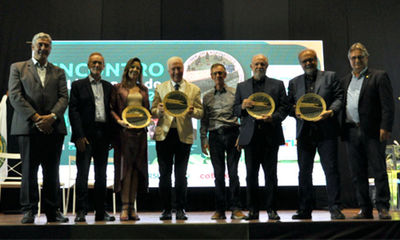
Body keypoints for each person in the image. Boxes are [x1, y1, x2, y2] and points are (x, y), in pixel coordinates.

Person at [8, 32, 68, 223]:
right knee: (28, 171)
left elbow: (63, 98)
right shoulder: (17, 68)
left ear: (51, 48)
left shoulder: (58, 71)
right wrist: (36, 118)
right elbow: (15, 96)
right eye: (40, 44)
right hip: (27, 128)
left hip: (53, 128)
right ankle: (29, 211)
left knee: (52, 171)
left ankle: (53, 211)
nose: (43, 48)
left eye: (47, 45)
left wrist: (50, 118)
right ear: (32, 46)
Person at [288, 49, 345, 220]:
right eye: (305, 61)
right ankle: (305, 209)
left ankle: (335, 208)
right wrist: (295, 112)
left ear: (316, 60)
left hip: (326, 130)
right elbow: (288, 105)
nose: (308, 63)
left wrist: (331, 111)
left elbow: (339, 97)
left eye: (311, 60)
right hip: (304, 132)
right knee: (304, 172)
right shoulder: (294, 82)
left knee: (331, 170)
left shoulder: (330, 76)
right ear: (300, 63)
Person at [341, 43, 394, 219]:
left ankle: (383, 208)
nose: (356, 60)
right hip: (351, 131)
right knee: (357, 173)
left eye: (360, 57)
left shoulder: (379, 76)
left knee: (379, 170)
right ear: (349, 60)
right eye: (353, 58)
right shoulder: (345, 80)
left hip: (373, 132)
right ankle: (365, 209)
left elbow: (388, 105)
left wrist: (385, 127)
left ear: (366, 58)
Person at [234, 54, 289, 220]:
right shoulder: (241, 86)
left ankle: (272, 209)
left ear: (267, 66)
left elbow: (284, 108)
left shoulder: (278, 85)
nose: (260, 66)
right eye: (257, 64)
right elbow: (235, 110)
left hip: (270, 135)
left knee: (271, 175)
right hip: (250, 138)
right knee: (251, 175)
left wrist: (273, 117)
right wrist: (242, 106)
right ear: (251, 66)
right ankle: (253, 210)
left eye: (263, 64)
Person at [151, 56, 203, 220]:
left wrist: (192, 112)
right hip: (164, 135)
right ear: (168, 70)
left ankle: (180, 209)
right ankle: (166, 209)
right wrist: (158, 110)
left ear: (183, 69)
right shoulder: (160, 88)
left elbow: (201, 113)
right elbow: (152, 110)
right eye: (173, 68)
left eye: (179, 68)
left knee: (181, 174)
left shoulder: (194, 89)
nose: (176, 71)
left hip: (183, 135)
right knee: (164, 175)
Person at [69, 52, 115, 222]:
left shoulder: (109, 86)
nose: (97, 65)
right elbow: (73, 112)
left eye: (100, 63)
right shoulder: (77, 85)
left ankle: (101, 211)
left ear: (104, 66)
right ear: (88, 65)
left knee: (101, 175)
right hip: (85, 137)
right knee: (82, 174)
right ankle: (81, 211)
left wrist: (111, 137)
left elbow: (112, 112)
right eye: (94, 62)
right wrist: (79, 136)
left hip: (103, 135)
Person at [200, 63, 246, 220]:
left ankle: (236, 209)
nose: (218, 76)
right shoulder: (206, 97)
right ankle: (220, 210)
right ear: (211, 76)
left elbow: (243, 116)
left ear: (225, 75)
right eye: (215, 73)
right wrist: (202, 139)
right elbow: (204, 121)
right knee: (219, 175)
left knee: (233, 173)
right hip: (214, 136)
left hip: (233, 134)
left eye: (221, 73)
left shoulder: (235, 93)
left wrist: (242, 136)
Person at [111, 57, 150, 221]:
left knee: (136, 170)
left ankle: (132, 207)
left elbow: (147, 111)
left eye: (138, 68)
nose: (135, 70)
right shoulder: (117, 88)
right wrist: (119, 121)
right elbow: (111, 108)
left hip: (140, 134)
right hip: (124, 135)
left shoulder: (144, 89)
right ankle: (124, 207)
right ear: (127, 69)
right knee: (125, 171)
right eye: (132, 67)